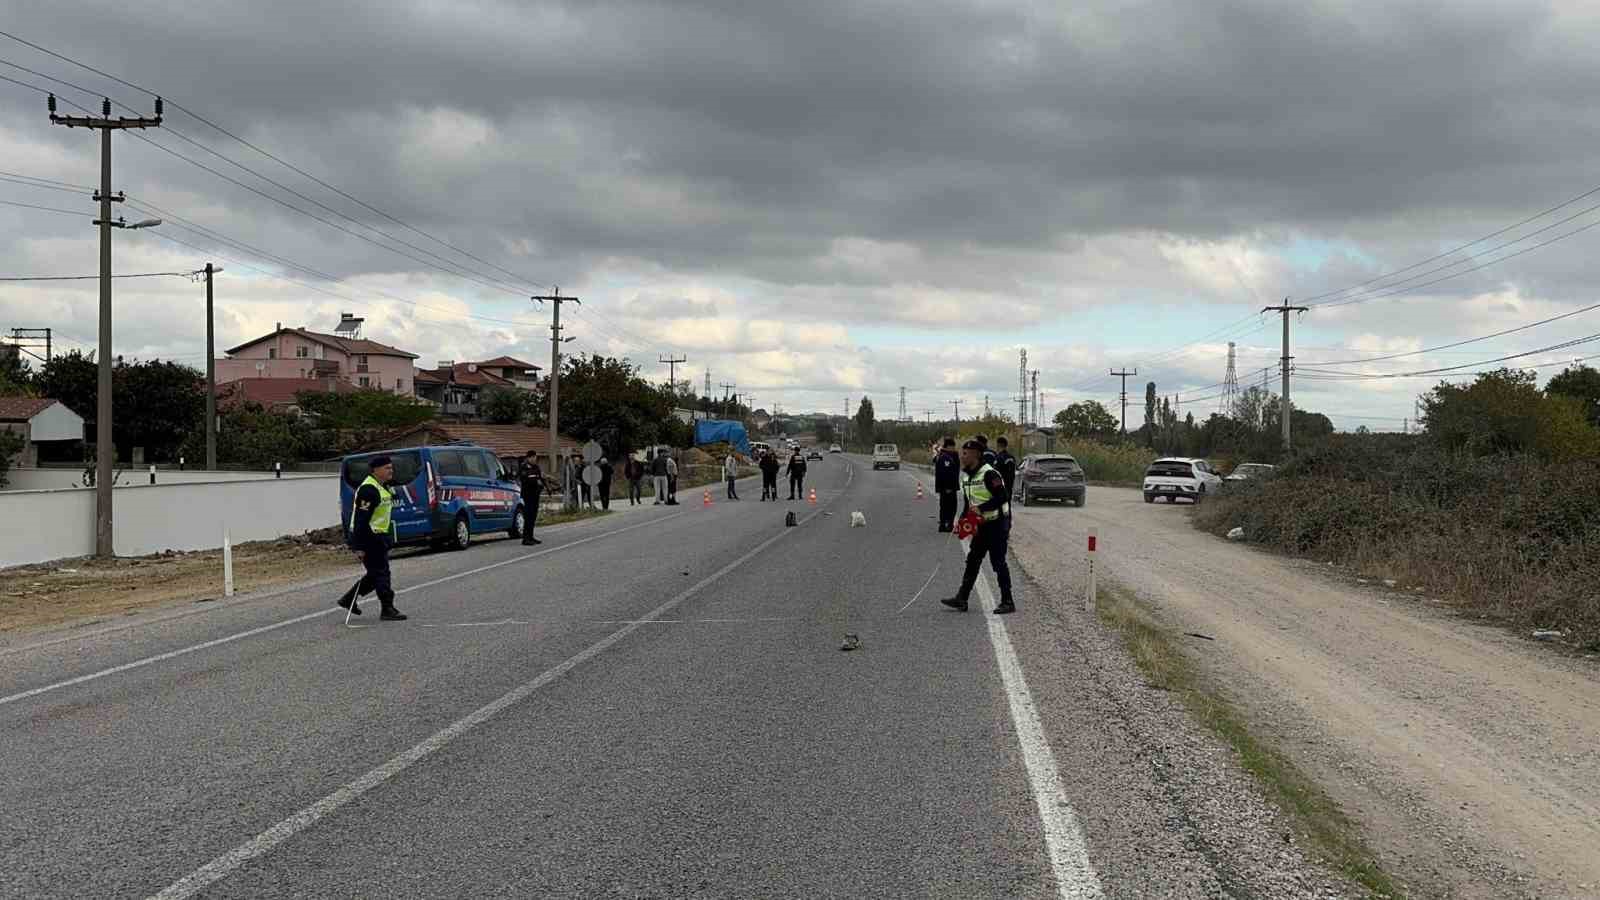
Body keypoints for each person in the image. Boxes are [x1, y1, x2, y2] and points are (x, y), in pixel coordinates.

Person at [941, 440, 1016, 615]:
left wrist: (981, 509)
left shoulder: (989, 474)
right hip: (981, 526)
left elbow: (1003, 497)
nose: (962, 456)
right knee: (973, 560)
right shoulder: (967, 476)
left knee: (998, 563)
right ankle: (962, 598)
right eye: (962, 453)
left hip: (997, 524)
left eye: (965, 453)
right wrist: (960, 523)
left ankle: (1007, 601)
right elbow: (969, 504)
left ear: (976, 454)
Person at [336, 455, 407, 621]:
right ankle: (387, 608)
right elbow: (361, 518)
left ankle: (348, 599)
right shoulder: (369, 489)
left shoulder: (381, 486)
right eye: (387, 468)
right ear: (375, 470)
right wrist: (358, 546)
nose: (391, 470)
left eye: (391, 467)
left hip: (378, 536)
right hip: (369, 537)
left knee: (375, 574)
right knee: (381, 574)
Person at [933, 436, 960, 532]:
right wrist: (948, 487)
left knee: (945, 505)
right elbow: (946, 473)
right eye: (953, 447)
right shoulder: (945, 457)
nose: (954, 449)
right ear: (948, 446)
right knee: (950, 506)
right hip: (948, 487)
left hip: (945, 487)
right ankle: (947, 525)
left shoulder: (942, 455)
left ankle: (944, 525)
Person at [518, 450, 544, 546]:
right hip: (528, 496)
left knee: (533, 517)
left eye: (535, 457)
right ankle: (525, 538)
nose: (534, 459)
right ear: (528, 458)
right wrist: (535, 481)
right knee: (528, 517)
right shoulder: (524, 467)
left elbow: (540, 479)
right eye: (533, 457)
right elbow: (525, 480)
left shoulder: (536, 467)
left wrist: (541, 486)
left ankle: (531, 536)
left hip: (535, 495)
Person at [994, 436, 1018, 500]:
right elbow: (1012, 472)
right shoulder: (1011, 457)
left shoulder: (999, 458)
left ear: (999, 445)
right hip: (1009, 485)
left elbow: (996, 473)